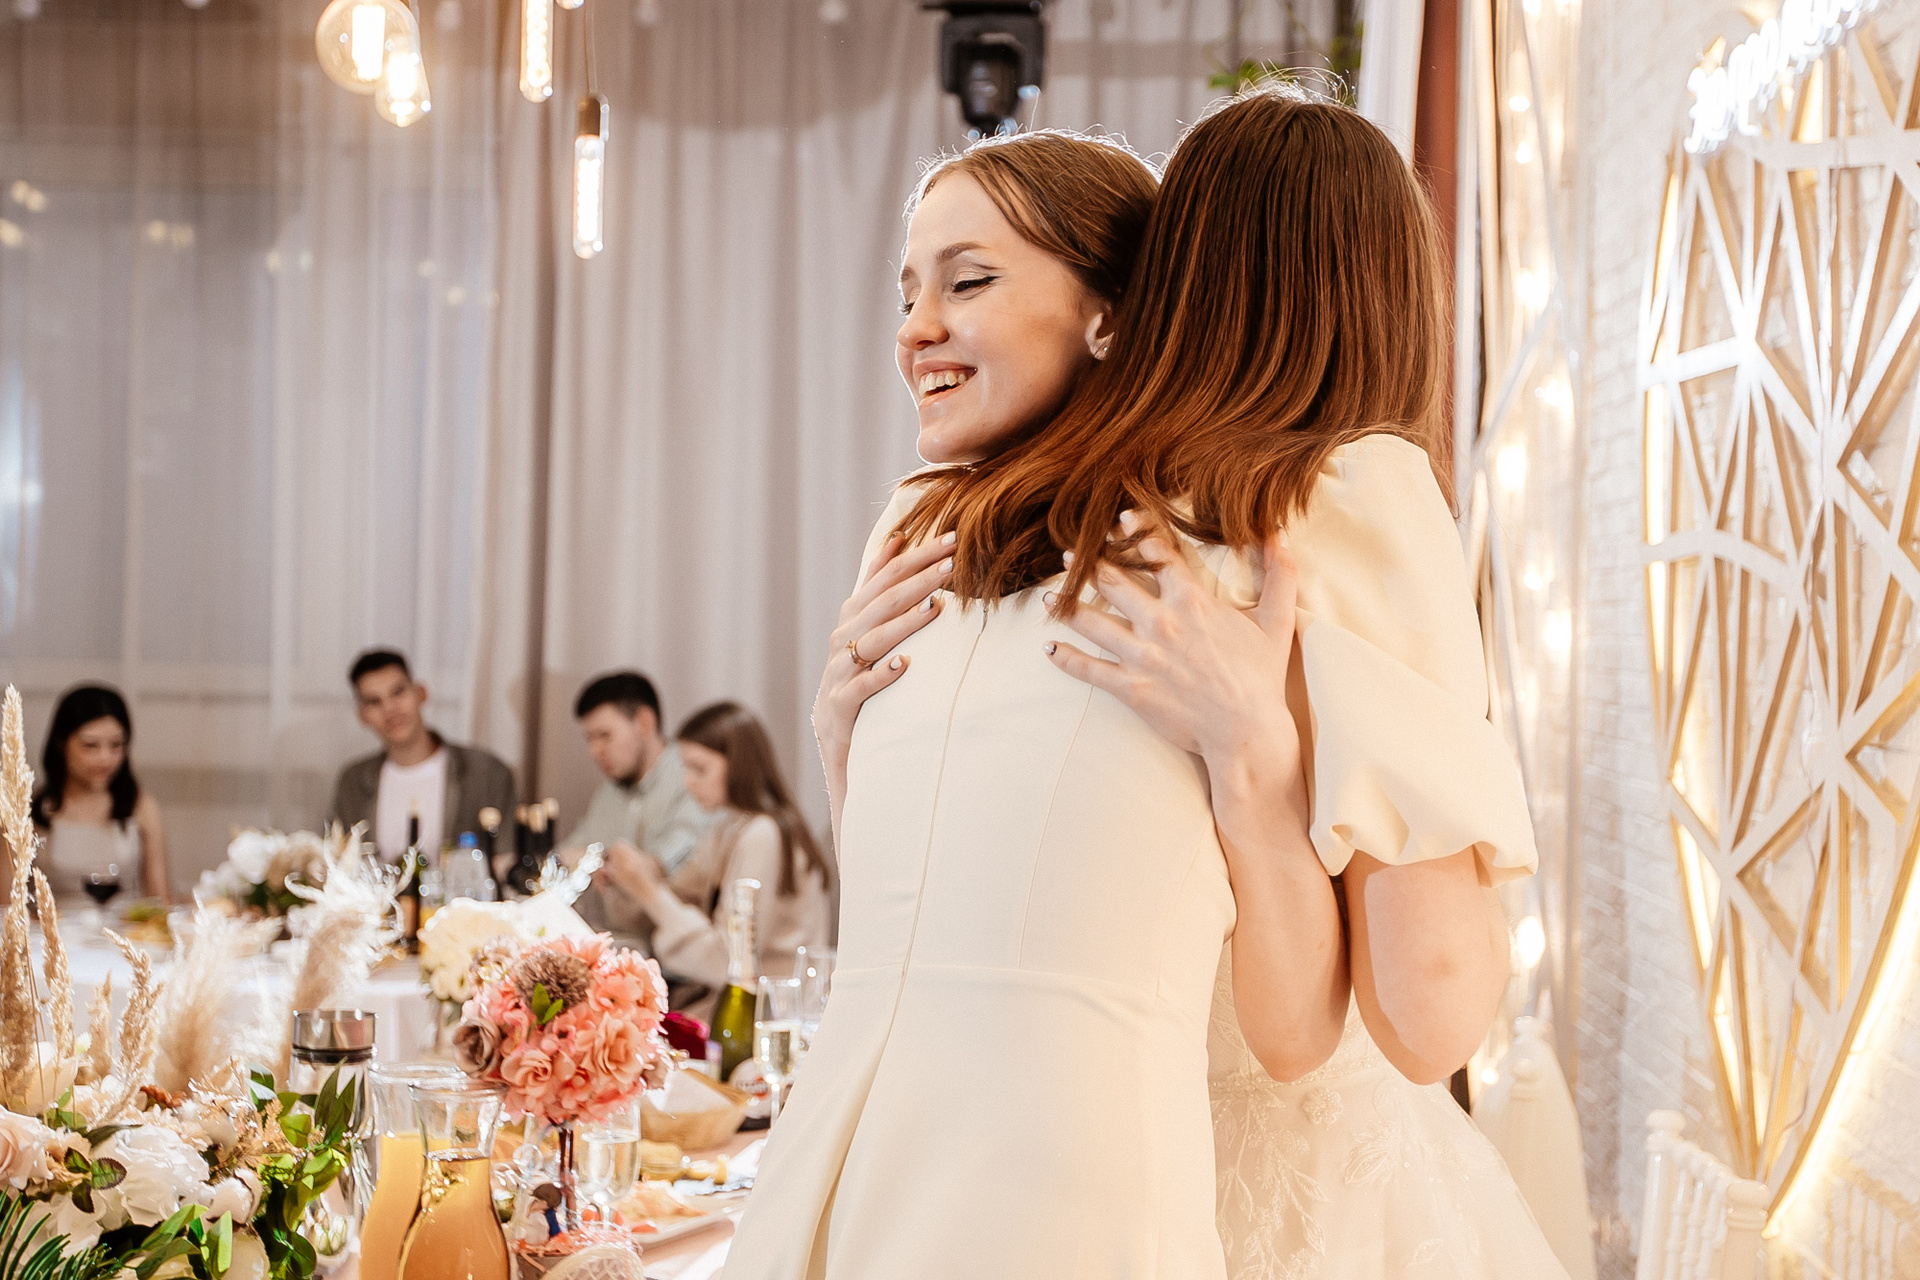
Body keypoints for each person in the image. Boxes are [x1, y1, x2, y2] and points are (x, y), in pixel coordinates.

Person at [728, 98, 1564, 1280]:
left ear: (1143, 298)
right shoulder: (1317, 509)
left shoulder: (960, 529)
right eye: (911, 290)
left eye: (968, 281)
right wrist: (1255, 762)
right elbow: (1430, 1011)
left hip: (981, 1181)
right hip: (1140, 1181)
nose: (916, 328)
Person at [597, 701, 831, 1021]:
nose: (688, 782)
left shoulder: (763, 834)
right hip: (740, 1004)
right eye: (686, 769)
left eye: (699, 769)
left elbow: (729, 962)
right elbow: (676, 897)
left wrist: (647, 889)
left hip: (770, 1014)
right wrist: (629, 880)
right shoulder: (727, 828)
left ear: (737, 766)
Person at [558, 671, 711, 942]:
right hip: (617, 938)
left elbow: (663, 865)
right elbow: (567, 856)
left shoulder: (691, 778)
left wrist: (603, 861)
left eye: (604, 736)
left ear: (644, 722)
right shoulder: (609, 793)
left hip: (678, 943)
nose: (595, 751)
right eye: (590, 739)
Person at [329, 648, 518, 865]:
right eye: (374, 701)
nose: (389, 708)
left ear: (421, 693)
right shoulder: (352, 782)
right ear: (362, 716)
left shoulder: (486, 773)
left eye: (397, 692)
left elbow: (506, 860)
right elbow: (338, 862)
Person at [18, 684, 170, 905]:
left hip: (125, 925)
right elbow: (8, 906)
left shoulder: (141, 805)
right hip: (53, 925)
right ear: (61, 743)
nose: (105, 758)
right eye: (90, 745)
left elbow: (159, 900)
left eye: (116, 745)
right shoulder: (29, 809)